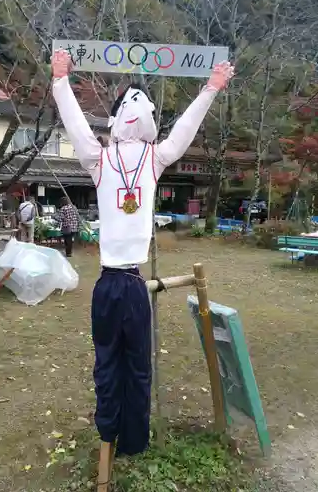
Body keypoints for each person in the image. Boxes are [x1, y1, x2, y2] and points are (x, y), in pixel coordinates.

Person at [52, 51, 234, 458]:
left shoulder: (152, 159)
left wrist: (211, 89)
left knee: (134, 365)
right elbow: (78, 126)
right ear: (115, 120)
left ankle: (132, 440)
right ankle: (110, 435)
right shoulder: (101, 159)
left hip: (131, 280)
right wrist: (60, 82)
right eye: (129, 103)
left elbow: (183, 131)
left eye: (142, 103)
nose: (136, 107)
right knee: (109, 365)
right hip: (113, 280)